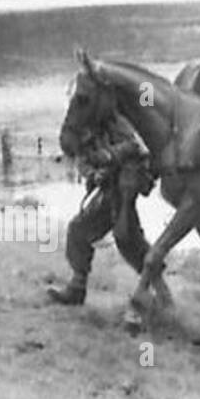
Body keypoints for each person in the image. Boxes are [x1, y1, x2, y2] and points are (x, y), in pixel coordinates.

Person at [47, 113, 155, 306]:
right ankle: (77, 288)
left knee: (127, 237)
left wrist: (109, 156)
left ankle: (158, 292)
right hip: (108, 189)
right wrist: (93, 174)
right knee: (78, 230)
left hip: (126, 184)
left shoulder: (115, 119)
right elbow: (82, 159)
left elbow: (136, 146)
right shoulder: (81, 129)